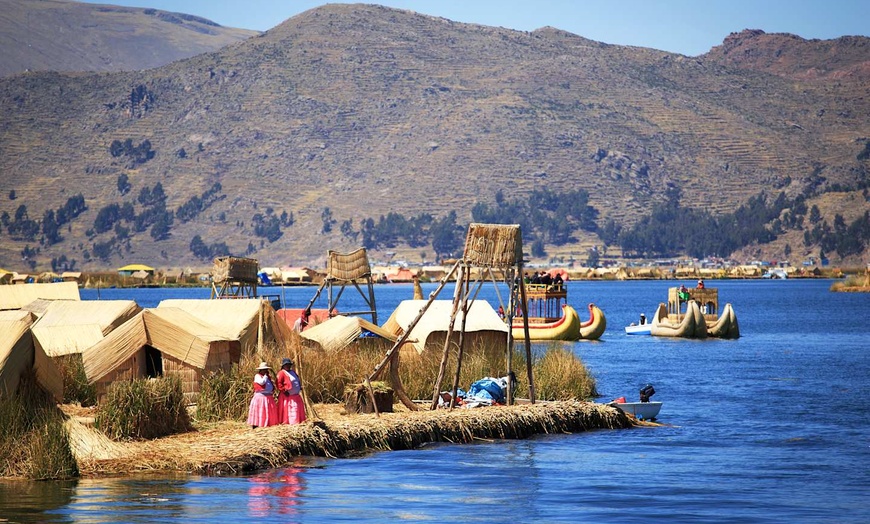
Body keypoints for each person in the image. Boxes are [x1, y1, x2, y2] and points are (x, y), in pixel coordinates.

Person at [247, 362, 278, 429]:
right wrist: (266, 376)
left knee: (267, 412)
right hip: (260, 397)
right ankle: (257, 425)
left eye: (266, 369)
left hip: (268, 397)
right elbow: (261, 382)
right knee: (260, 412)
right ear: (260, 370)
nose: (266, 371)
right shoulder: (257, 376)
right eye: (264, 370)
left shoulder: (267, 377)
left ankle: (268, 424)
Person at [276, 358, 307, 425]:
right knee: (292, 409)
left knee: (297, 409)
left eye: (289, 364)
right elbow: (278, 383)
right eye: (286, 365)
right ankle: (292, 422)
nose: (288, 366)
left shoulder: (293, 372)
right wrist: (284, 390)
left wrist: (299, 387)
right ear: (283, 366)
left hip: (295, 395)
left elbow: (297, 380)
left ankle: (299, 421)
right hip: (288, 396)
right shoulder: (282, 373)